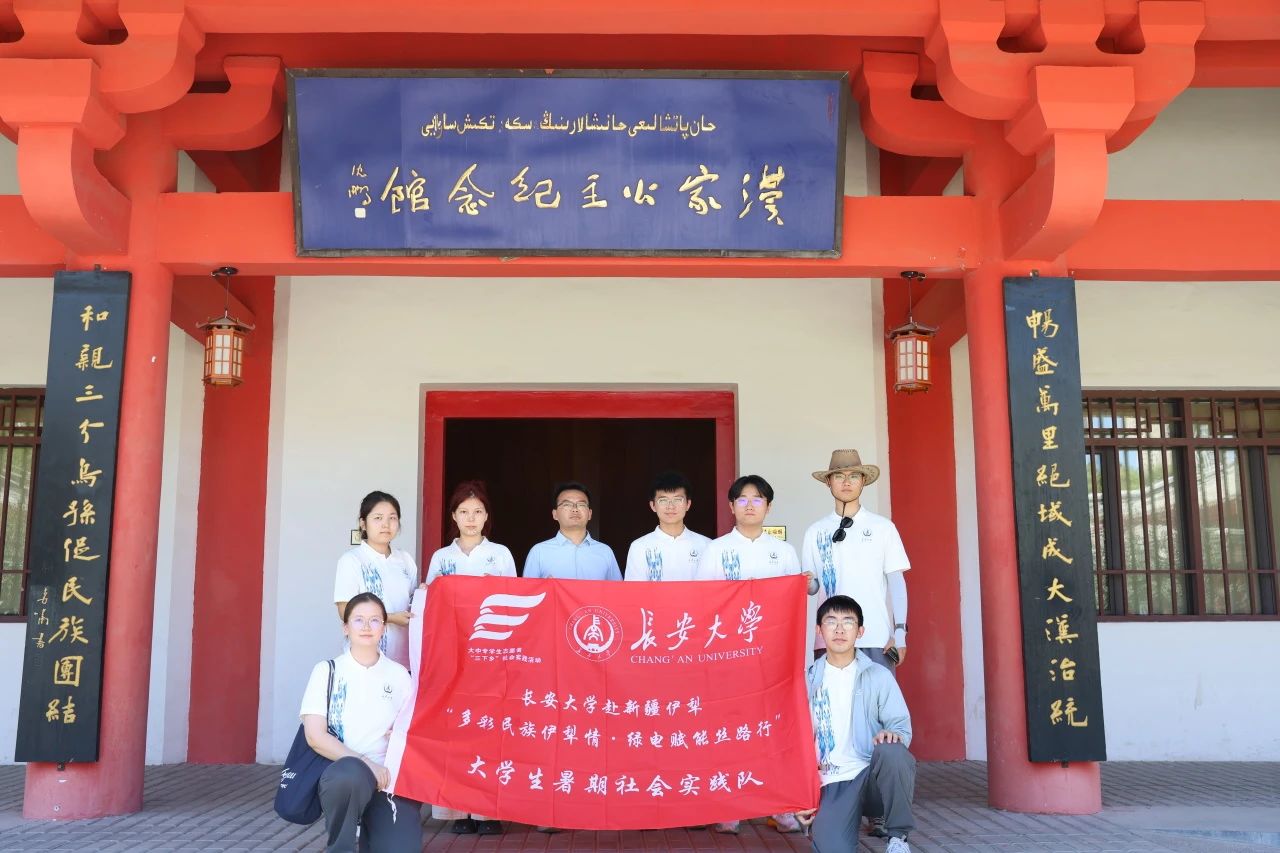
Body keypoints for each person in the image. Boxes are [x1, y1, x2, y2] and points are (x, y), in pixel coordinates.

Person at [695, 474, 816, 834]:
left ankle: (777, 806)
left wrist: (807, 584)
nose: (750, 505)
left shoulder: (783, 551)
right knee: (729, 730)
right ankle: (729, 807)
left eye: (758, 499)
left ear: (769, 506)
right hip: (727, 657)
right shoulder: (716, 550)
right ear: (731, 507)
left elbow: (796, 598)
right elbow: (701, 602)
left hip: (773, 658)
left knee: (773, 729)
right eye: (743, 499)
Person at [424, 480, 514, 836]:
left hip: (491, 656)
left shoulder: (501, 554)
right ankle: (458, 810)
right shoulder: (442, 558)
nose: (471, 518)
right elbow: (429, 603)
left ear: (487, 516)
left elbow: (513, 601)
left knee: (490, 731)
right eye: (464, 512)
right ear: (454, 516)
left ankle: (489, 810)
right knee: (456, 730)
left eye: (477, 511)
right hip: (452, 657)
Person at [300, 593, 422, 853]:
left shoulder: (400, 675)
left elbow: (412, 728)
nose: (367, 627)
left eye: (375, 620)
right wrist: (366, 763)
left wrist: (402, 733)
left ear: (384, 627)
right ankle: (341, 847)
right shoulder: (327, 671)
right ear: (345, 627)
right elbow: (314, 736)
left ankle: (376, 829)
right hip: (342, 772)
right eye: (358, 620)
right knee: (350, 775)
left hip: (387, 777)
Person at [795, 595, 916, 853]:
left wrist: (891, 734)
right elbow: (791, 743)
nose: (839, 629)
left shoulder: (878, 676)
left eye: (848, 622)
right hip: (831, 780)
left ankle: (898, 838)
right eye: (831, 621)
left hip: (871, 776)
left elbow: (901, 726)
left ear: (860, 631)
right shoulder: (806, 681)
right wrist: (798, 796)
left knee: (893, 752)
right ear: (819, 631)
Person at [802, 450, 910, 676]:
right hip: (830, 637)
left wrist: (900, 633)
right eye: (839, 476)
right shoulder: (815, 531)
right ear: (828, 482)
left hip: (876, 638)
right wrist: (807, 582)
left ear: (863, 481)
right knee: (831, 698)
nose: (846, 482)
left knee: (877, 699)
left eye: (853, 476)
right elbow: (812, 588)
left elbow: (896, 582)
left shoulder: (883, 527)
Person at [334, 491, 419, 669]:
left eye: (392, 518)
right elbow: (344, 611)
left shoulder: (405, 560)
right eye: (378, 518)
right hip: (364, 659)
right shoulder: (352, 560)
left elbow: (413, 601)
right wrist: (391, 618)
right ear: (363, 523)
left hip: (403, 659)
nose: (385, 524)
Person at [523, 481, 622, 580]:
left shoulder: (605, 552)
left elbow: (618, 589)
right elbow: (527, 589)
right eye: (567, 504)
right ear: (555, 514)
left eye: (581, 505)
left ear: (589, 514)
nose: (575, 509)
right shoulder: (539, 552)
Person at [624, 470, 710, 581]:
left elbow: (712, 588)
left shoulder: (707, 545)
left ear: (688, 504)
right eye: (663, 500)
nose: (670, 506)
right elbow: (634, 590)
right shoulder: (639, 547)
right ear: (653, 505)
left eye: (677, 500)